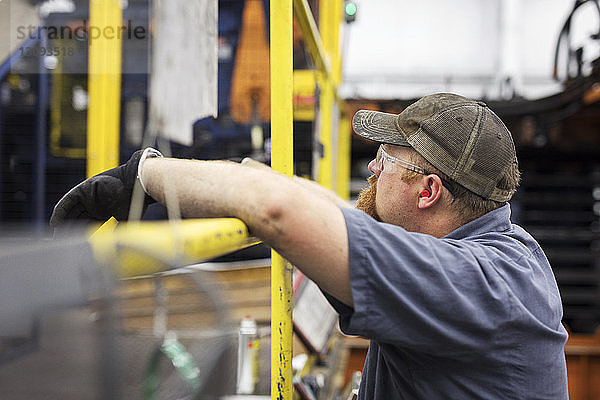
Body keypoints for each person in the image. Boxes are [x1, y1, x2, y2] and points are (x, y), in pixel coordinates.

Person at [51, 93, 569, 399]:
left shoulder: (473, 285)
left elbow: (280, 213)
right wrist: (240, 178)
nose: (371, 169)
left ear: (428, 190)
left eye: (384, 160)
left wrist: (147, 177)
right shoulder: (503, 253)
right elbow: (324, 209)